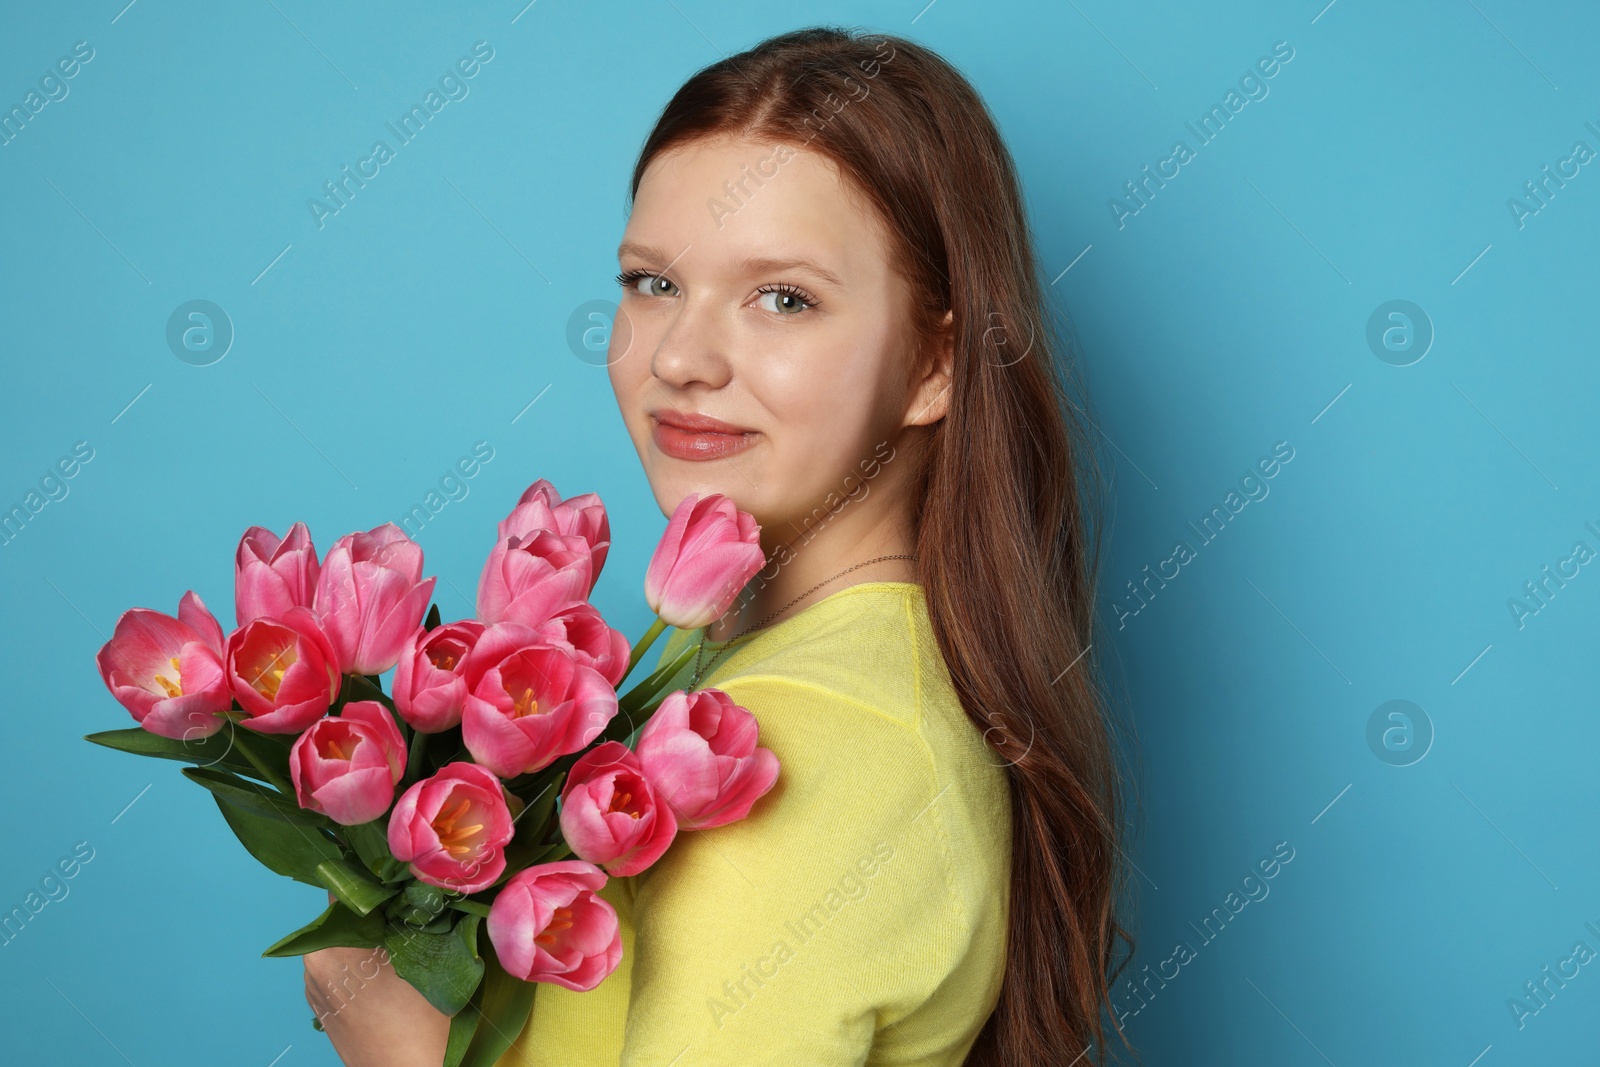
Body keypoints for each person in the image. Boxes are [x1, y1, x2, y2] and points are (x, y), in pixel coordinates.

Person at [304, 25, 1135, 1067]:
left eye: (782, 298)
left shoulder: (798, 737)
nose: (683, 357)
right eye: (653, 283)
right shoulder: (808, 684)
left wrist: (400, 1044)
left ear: (935, 364)